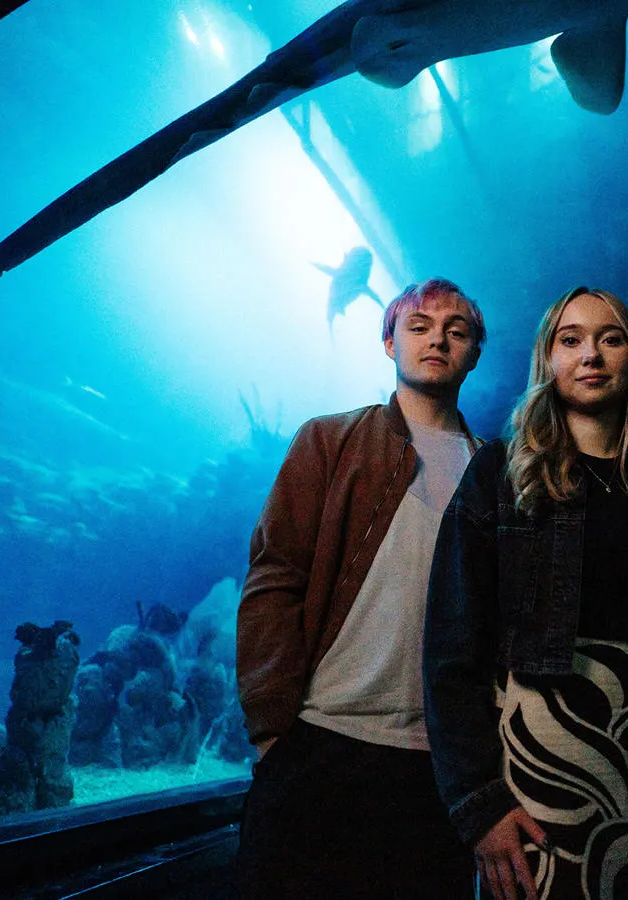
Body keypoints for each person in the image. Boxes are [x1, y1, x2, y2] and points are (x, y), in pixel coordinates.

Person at [424, 286, 628, 900]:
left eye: (611, 338)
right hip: (539, 757)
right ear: (546, 360)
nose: (592, 354)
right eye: (571, 339)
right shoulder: (501, 474)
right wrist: (479, 803)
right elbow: (450, 649)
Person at [235, 277, 485, 898]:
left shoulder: (496, 472)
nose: (438, 339)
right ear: (388, 342)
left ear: (475, 352)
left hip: (440, 765)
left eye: (457, 330)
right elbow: (275, 575)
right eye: (419, 326)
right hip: (321, 743)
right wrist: (271, 728)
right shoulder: (329, 439)